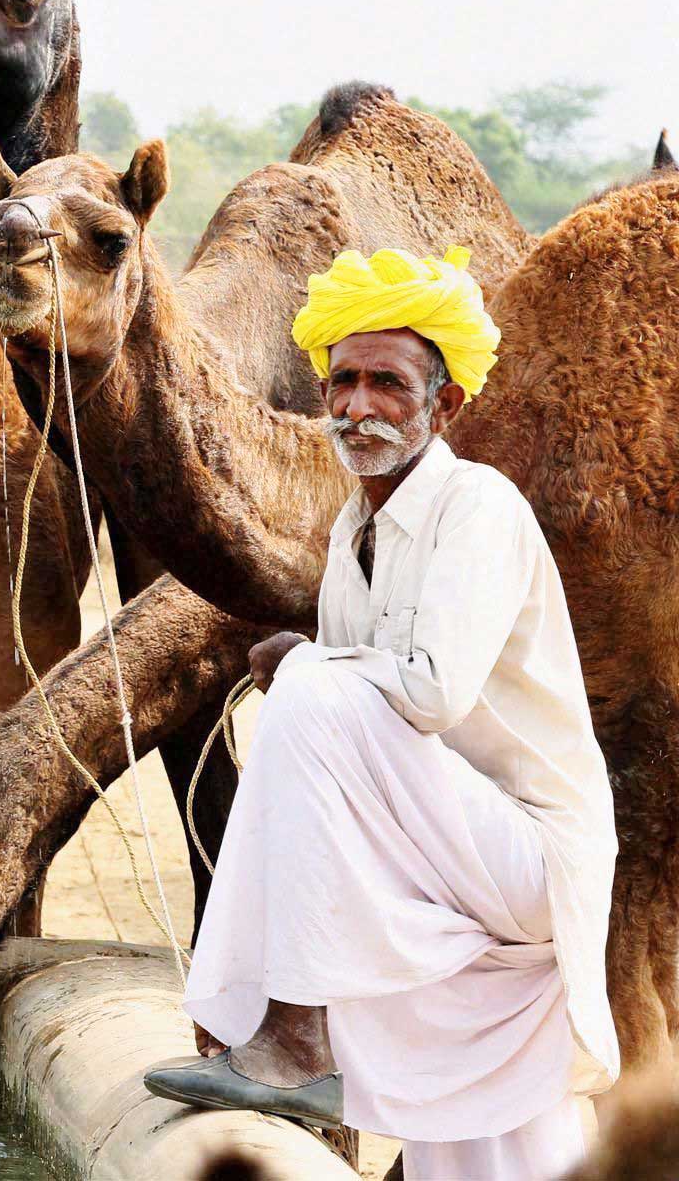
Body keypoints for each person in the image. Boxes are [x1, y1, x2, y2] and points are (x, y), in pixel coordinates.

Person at [142, 247, 617, 1180]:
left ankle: (294, 1035)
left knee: (311, 688)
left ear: (446, 406)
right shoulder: (349, 532)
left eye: (389, 384)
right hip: (444, 845)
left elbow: (430, 694)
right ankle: (260, 1017)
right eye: (345, 381)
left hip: (530, 856)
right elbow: (350, 758)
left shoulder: (477, 506)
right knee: (493, 1149)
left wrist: (308, 662)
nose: (360, 405)